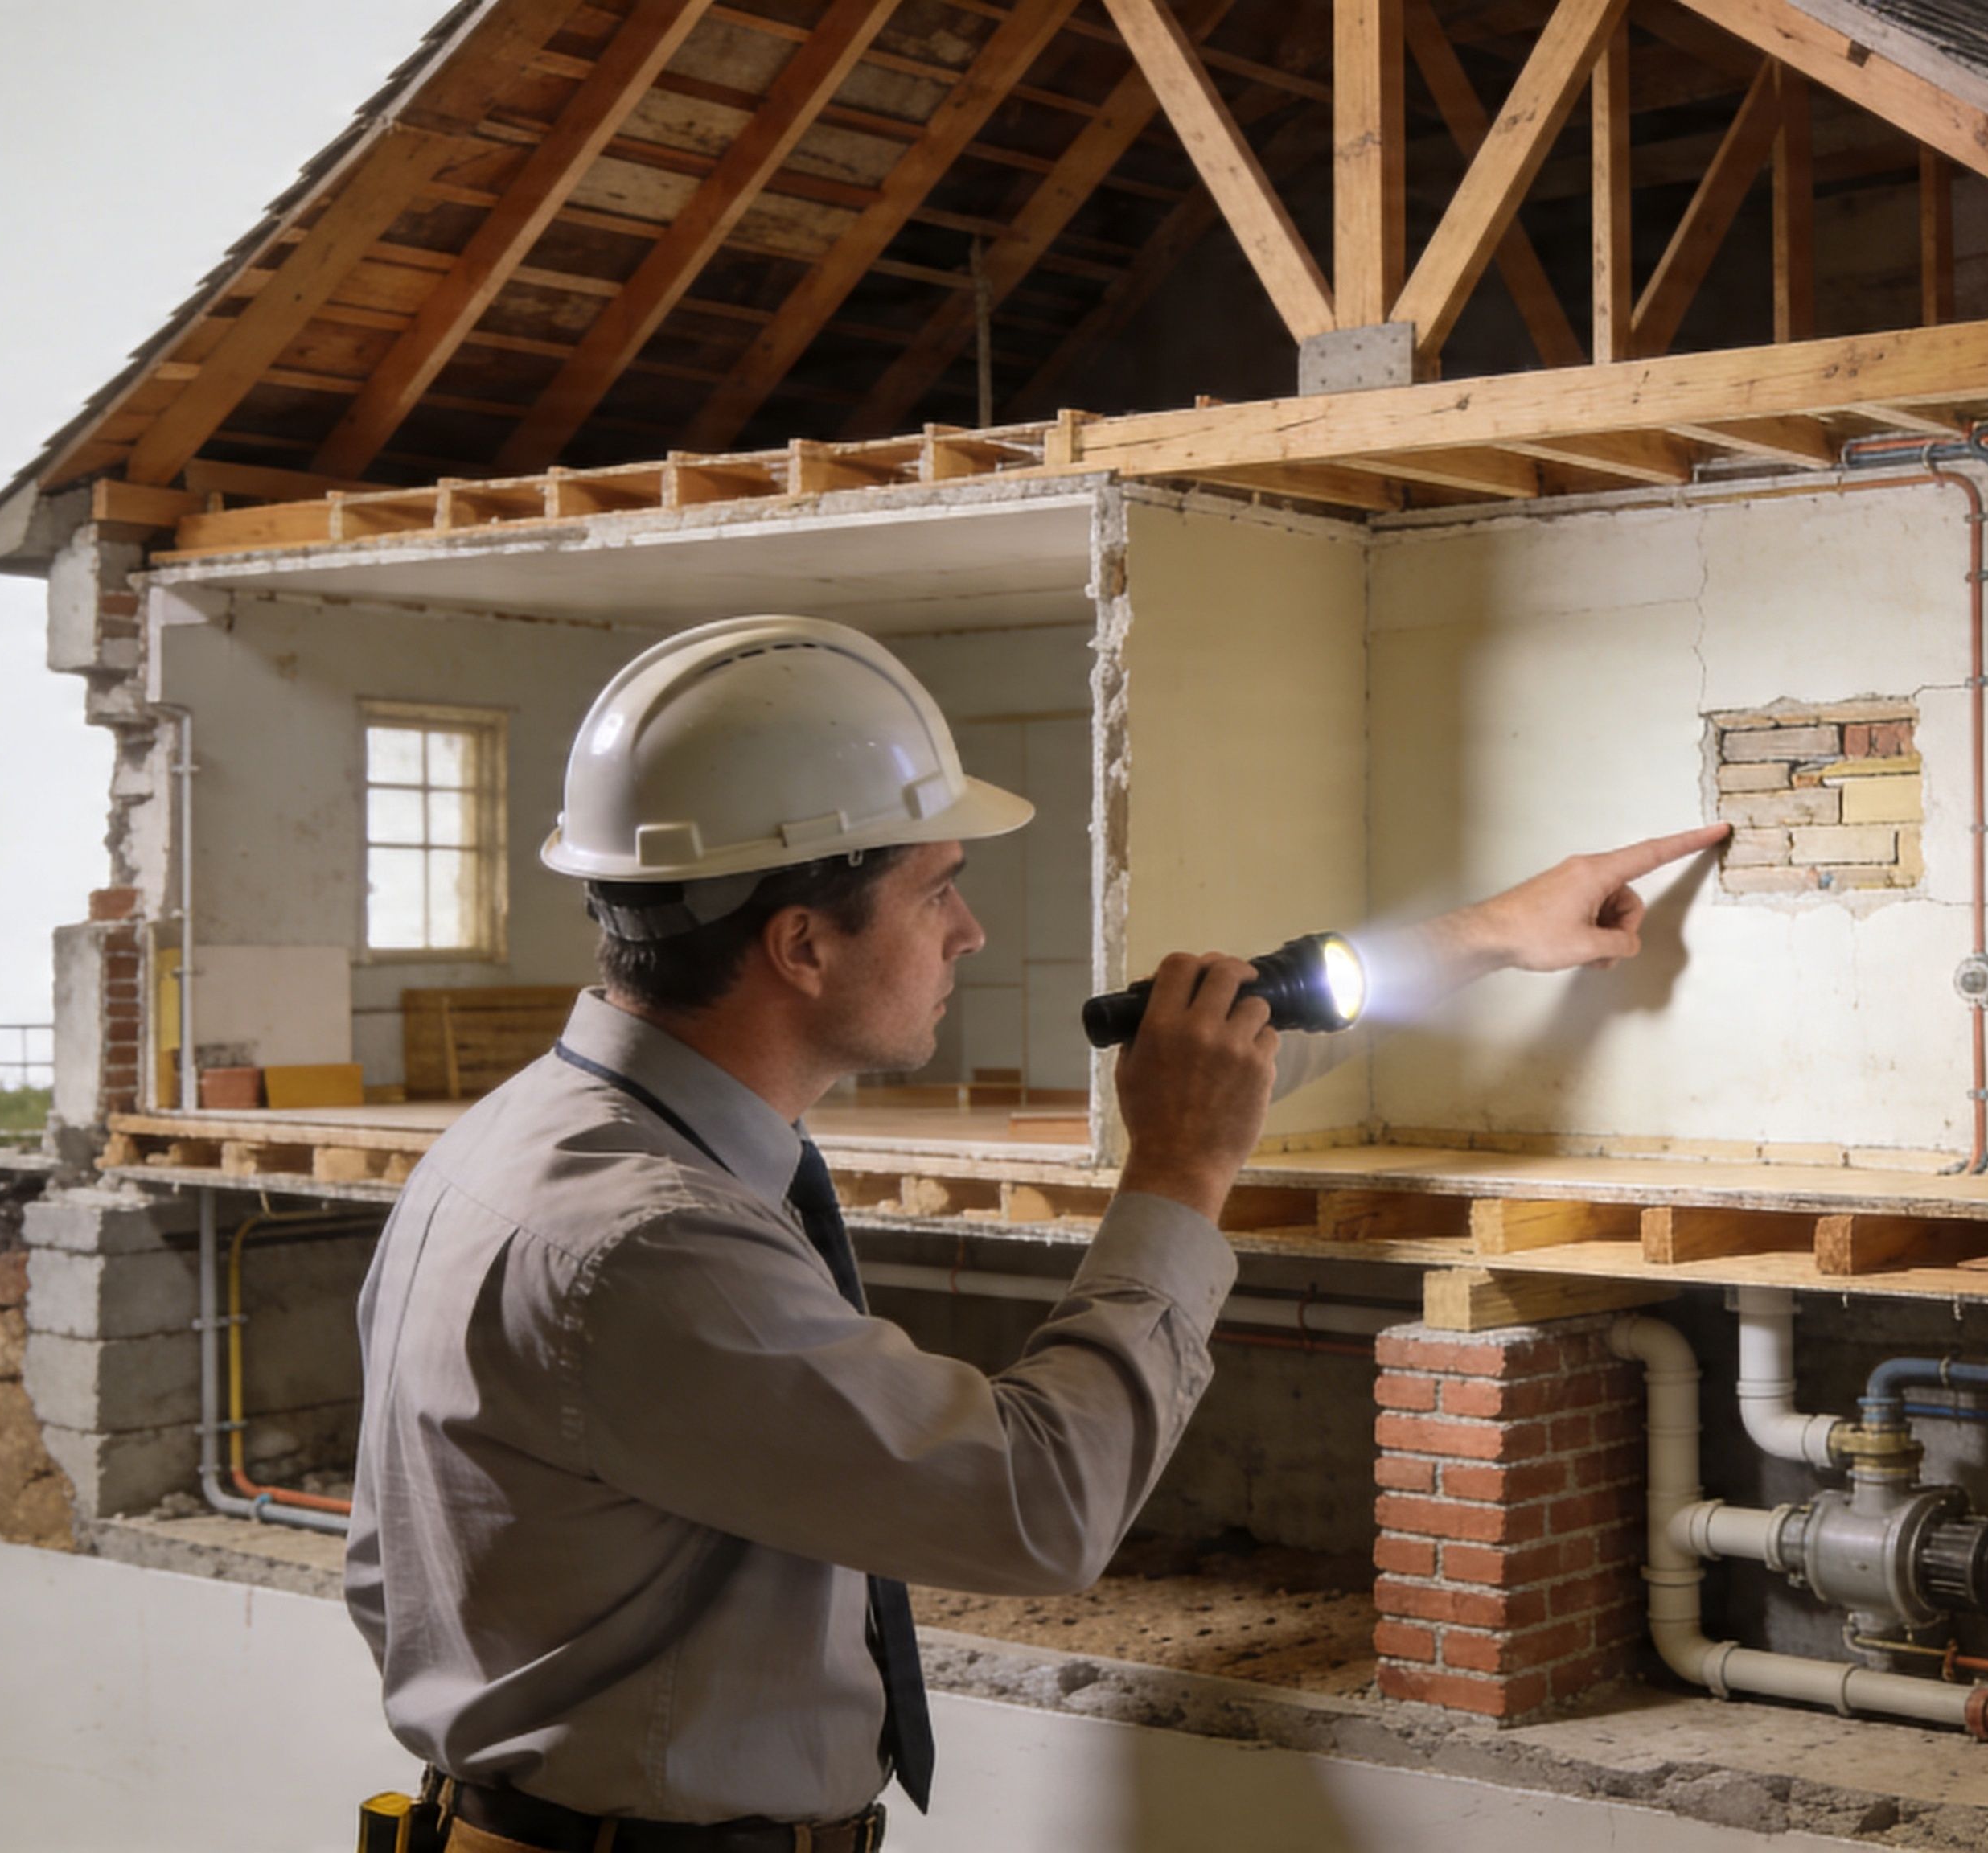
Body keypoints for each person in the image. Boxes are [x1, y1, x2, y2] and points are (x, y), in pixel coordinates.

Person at [345, 614, 1724, 1852]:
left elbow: (385, 1571)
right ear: (801, 945)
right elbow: (1040, 1507)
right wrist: (1178, 1171)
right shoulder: (643, 1246)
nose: (971, 930)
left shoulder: (531, 1142)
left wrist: (1488, 933)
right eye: (936, 887)